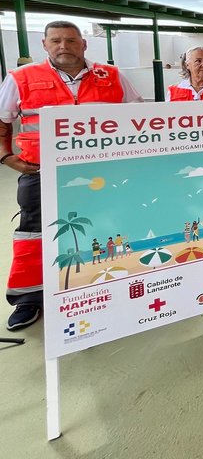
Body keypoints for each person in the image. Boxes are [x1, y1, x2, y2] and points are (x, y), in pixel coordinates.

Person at [0, 20, 142, 331]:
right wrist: (5, 156)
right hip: (40, 173)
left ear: (83, 44)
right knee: (35, 233)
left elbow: (138, 114)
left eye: (70, 40)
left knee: (107, 227)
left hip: (100, 173)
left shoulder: (113, 76)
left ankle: (100, 287)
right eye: (56, 41)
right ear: (45, 45)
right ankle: (29, 298)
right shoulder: (21, 78)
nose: (63, 46)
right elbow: (2, 119)